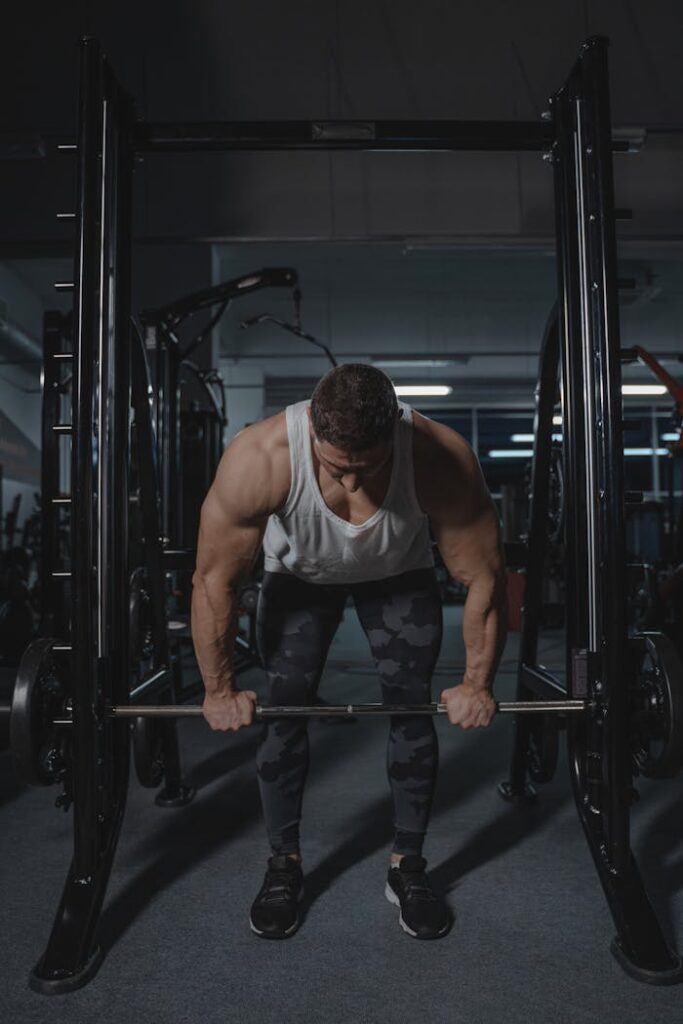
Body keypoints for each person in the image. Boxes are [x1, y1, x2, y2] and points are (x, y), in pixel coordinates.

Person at [192, 364, 507, 941]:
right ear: (312, 426)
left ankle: (407, 866)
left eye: (371, 467)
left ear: (396, 433)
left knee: (411, 710)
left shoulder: (440, 456)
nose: (356, 486)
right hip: (296, 577)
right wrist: (217, 690)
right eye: (340, 469)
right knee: (284, 712)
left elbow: (484, 576)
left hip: (398, 574)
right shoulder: (260, 456)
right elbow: (214, 580)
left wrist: (477, 683)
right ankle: (283, 863)